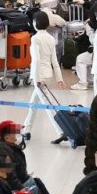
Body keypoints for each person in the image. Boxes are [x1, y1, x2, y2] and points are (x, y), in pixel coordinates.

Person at [23, 11, 67, 144]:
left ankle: (61, 131)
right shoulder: (50, 38)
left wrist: (37, 79)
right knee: (33, 103)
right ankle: (26, 129)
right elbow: (55, 60)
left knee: (48, 106)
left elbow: (36, 60)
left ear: (35, 23)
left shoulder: (35, 38)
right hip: (47, 74)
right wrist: (59, 78)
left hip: (39, 76)